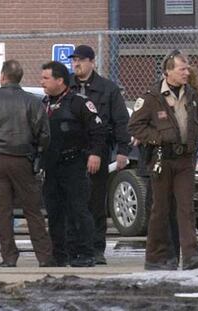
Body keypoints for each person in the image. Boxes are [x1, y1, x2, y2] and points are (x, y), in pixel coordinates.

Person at [128, 50, 198, 270]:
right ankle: (156, 257)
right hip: (162, 159)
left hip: (185, 160)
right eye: (181, 68)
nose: (186, 72)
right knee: (160, 210)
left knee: (186, 207)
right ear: (168, 72)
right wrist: (157, 138)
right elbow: (135, 126)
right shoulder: (151, 97)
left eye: (187, 67)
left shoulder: (191, 93)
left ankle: (191, 256)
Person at [0, 59, 53, 267]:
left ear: (3, 77)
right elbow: (44, 134)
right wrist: (37, 151)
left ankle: (9, 257)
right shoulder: (33, 102)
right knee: (33, 210)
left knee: (2, 211)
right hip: (24, 159)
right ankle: (44, 256)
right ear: (20, 78)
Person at [40, 61, 106, 267]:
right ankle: (60, 254)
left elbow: (98, 130)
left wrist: (95, 154)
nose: (42, 82)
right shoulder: (44, 104)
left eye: (46, 78)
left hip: (74, 164)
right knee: (55, 212)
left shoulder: (78, 103)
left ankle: (86, 252)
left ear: (60, 80)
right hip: (52, 167)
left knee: (78, 210)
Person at [68, 45, 130, 264]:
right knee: (73, 202)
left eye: (81, 60)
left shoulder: (107, 89)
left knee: (95, 202)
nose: (77, 64)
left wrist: (123, 150)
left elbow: (121, 121)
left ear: (92, 62)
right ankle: (75, 247)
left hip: (99, 151)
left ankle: (96, 249)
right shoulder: (67, 86)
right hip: (72, 153)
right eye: (74, 60)